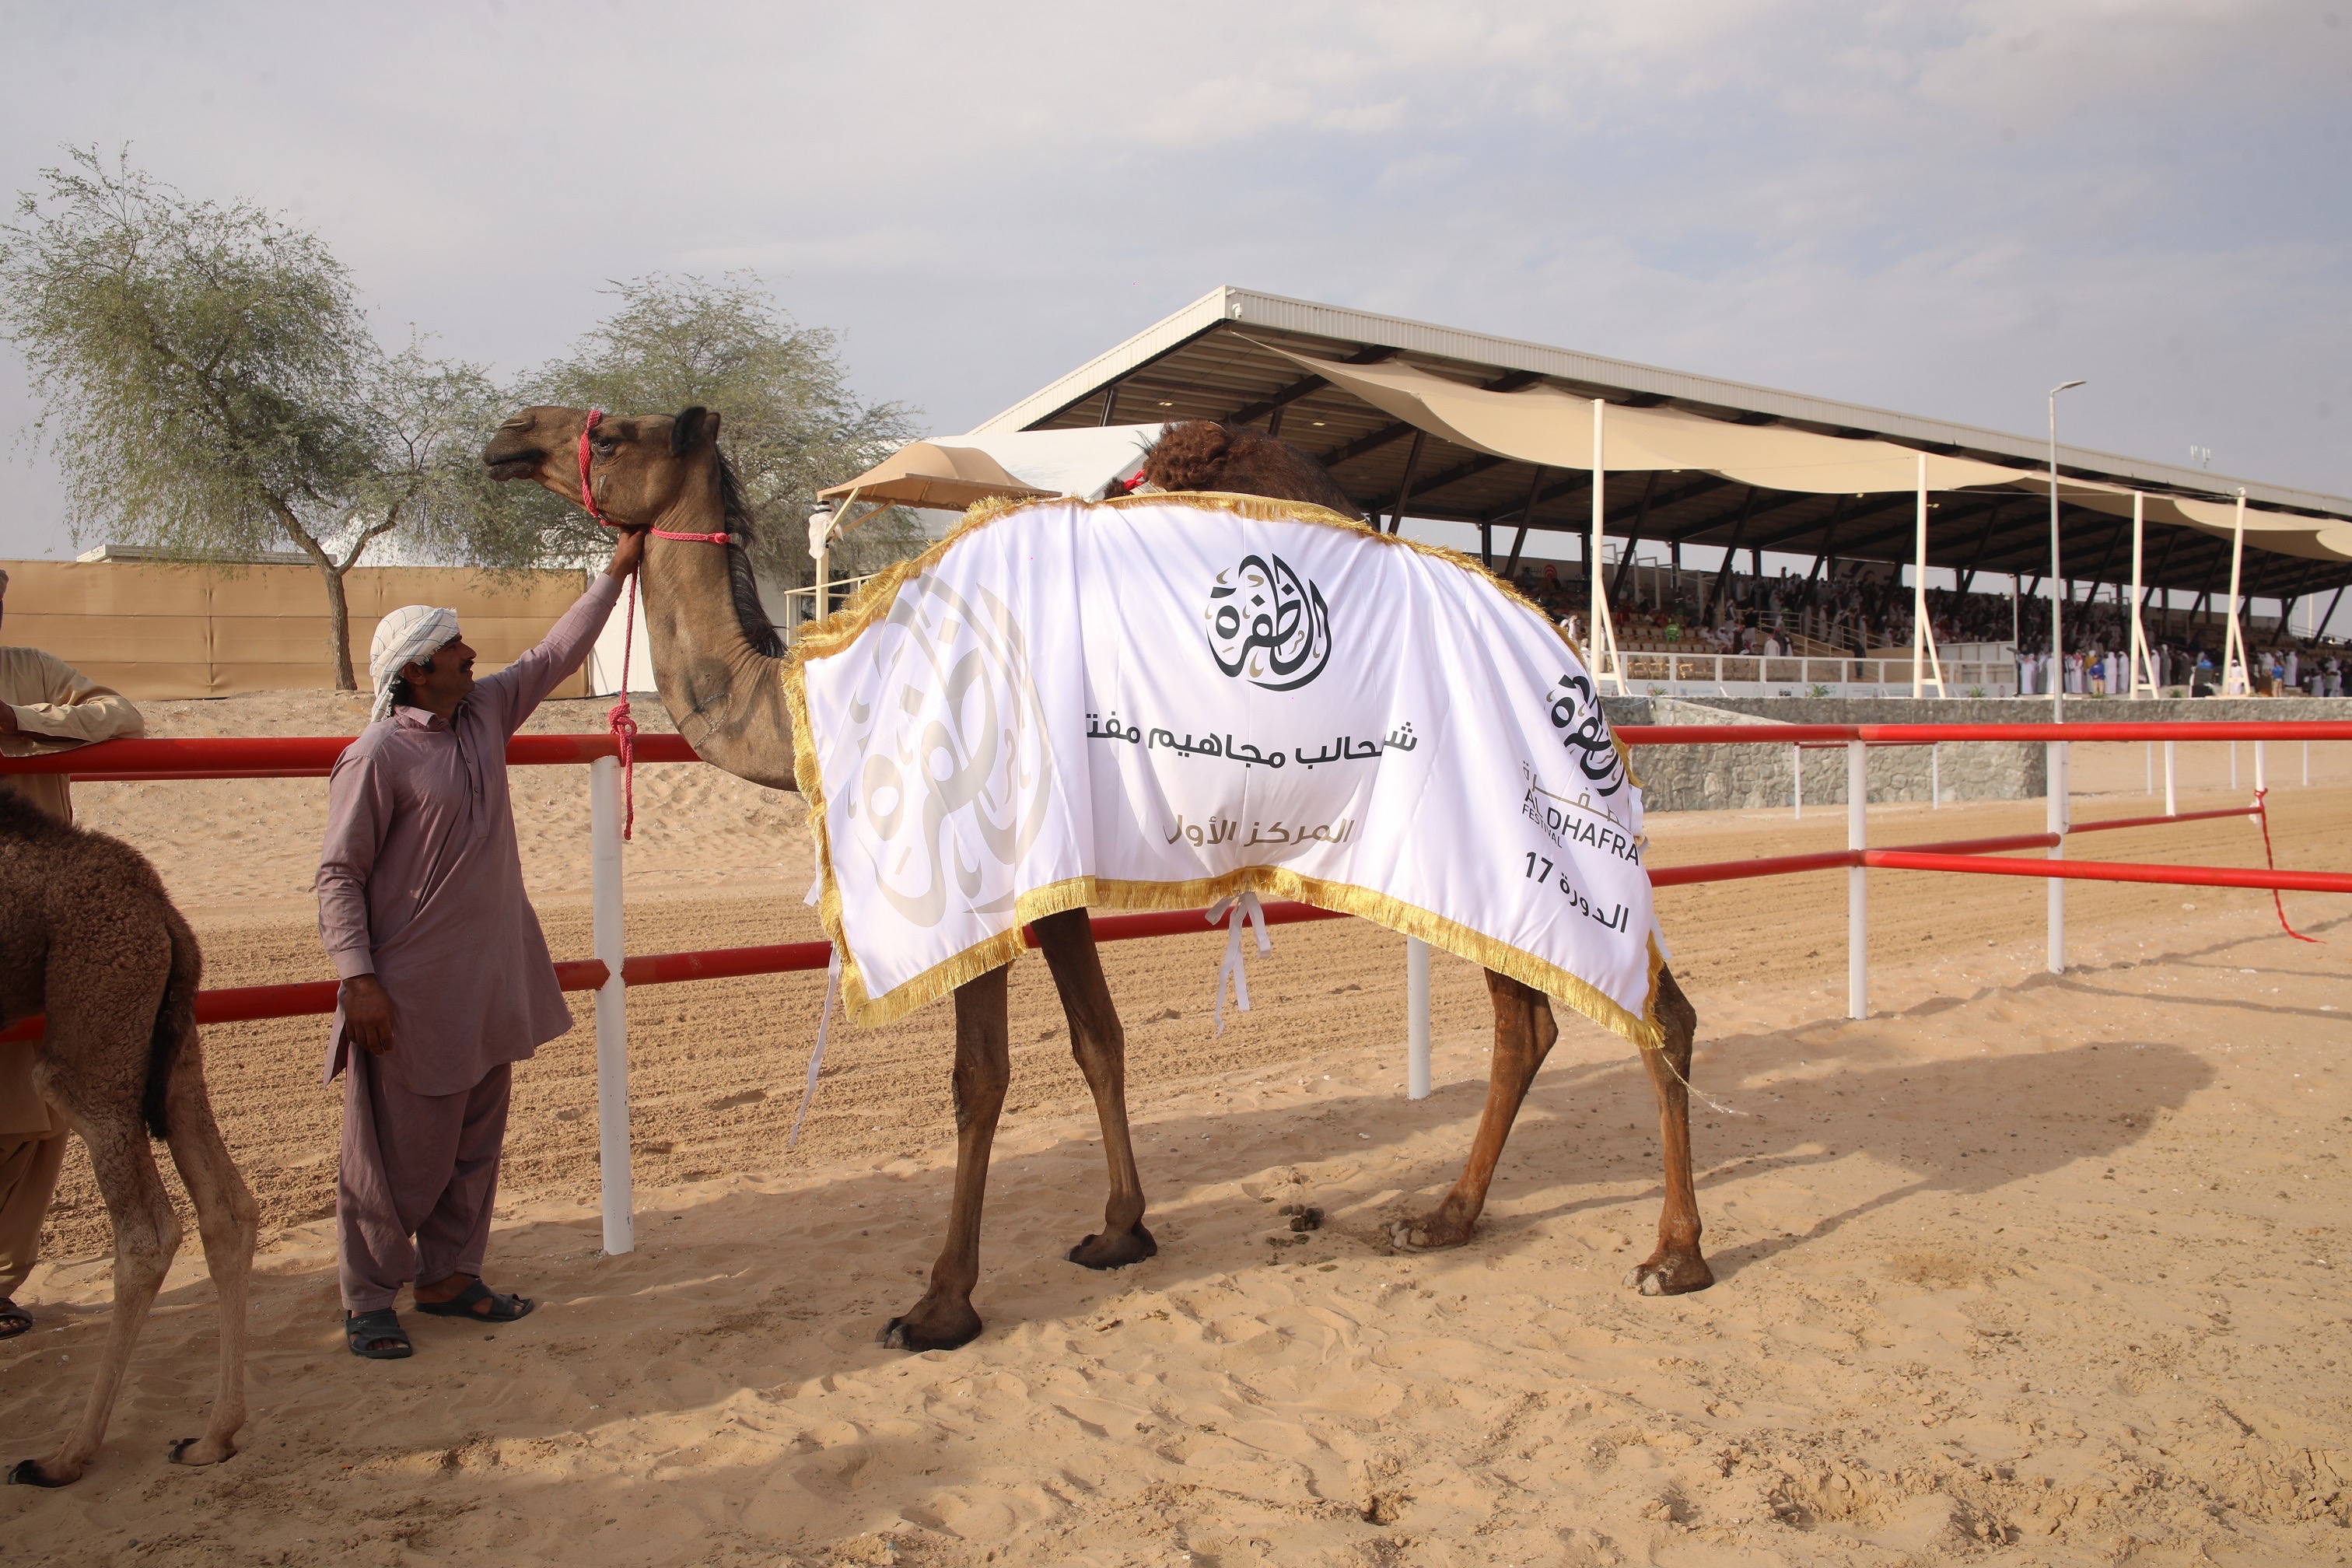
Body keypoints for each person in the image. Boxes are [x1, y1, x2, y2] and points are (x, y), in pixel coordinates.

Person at [318, 530, 642, 1360]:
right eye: (453, 648)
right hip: (410, 993)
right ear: (417, 671)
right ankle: (368, 1301)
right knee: (394, 1156)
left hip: (491, 977)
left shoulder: (486, 712)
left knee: (473, 1142)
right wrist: (358, 980)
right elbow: (338, 876)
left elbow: (556, 652)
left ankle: (450, 1277)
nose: (471, 655)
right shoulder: (378, 754)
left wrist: (614, 573)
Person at [0, 567, 146, 1339]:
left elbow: (124, 717)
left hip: (39, 921)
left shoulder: (30, 670)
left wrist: (20, 720)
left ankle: (1, 1279)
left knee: (44, 1105)